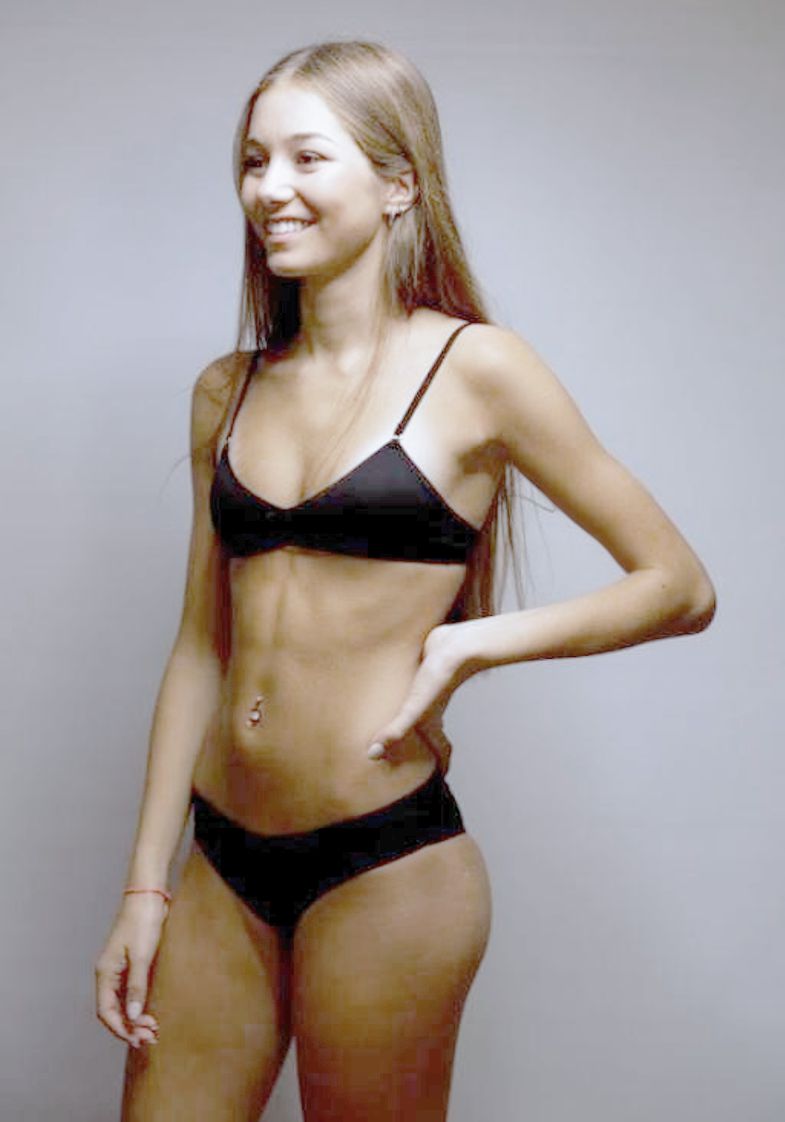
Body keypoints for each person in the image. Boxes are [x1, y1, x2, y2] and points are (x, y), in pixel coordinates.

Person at [94, 39, 716, 1122]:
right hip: (222, 859)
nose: (269, 189)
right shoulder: (225, 391)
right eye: (253, 160)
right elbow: (200, 647)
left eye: (306, 157)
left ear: (396, 184)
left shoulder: (477, 370)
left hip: (386, 865)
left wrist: (473, 642)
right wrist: (147, 886)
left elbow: (677, 584)